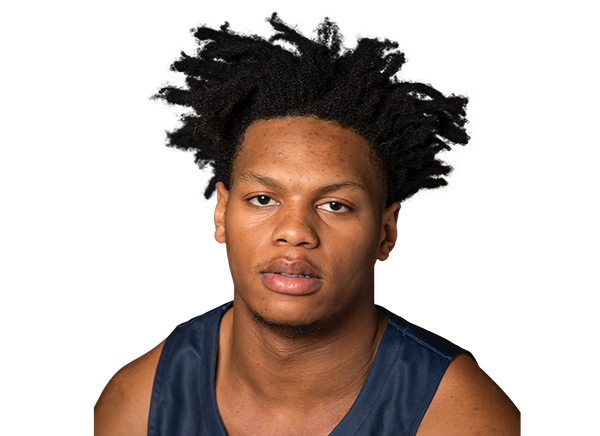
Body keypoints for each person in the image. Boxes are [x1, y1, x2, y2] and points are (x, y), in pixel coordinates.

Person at [93, 12, 521, 435]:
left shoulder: (462, 420)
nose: (295, 232)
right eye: (263, 199)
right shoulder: (140, 404)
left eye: (335, 205)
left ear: (385, 233)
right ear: (222, 213)